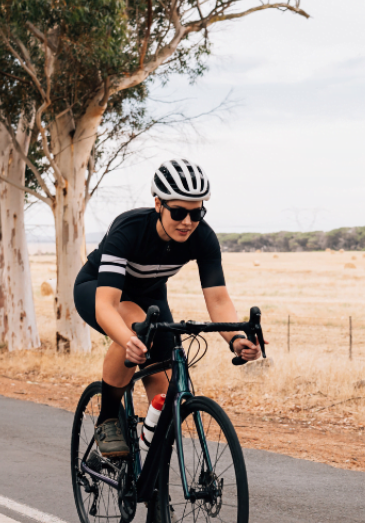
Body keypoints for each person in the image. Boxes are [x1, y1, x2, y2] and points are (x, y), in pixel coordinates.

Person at [74, 158, 262, 462]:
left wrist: (236, 337)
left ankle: (152, 490)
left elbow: (217, 299)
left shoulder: (202, 237)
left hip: (149, 297)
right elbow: (107, 305)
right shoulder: (129, 229)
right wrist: (127, 340)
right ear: (159, 204)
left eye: (196, 212)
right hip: (99, 289)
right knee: (137, 330)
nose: (187, 221)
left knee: (163, 401)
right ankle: (107, 421)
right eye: (178, 212)